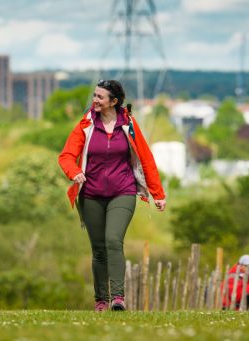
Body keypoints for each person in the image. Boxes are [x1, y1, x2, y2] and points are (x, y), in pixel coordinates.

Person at [58, 79, 166, 312]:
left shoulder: (129, 125)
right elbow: (66, 155)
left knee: (113, 241)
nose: (94, 100)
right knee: (98, 249)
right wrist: (74, 172)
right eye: (94, 95)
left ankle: (118, 298)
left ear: (114, 102)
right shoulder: (86, 124)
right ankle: (101, 300)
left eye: (100, 97)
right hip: (91, 194)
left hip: (123, 191)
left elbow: (146, 159)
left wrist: (158, 194)